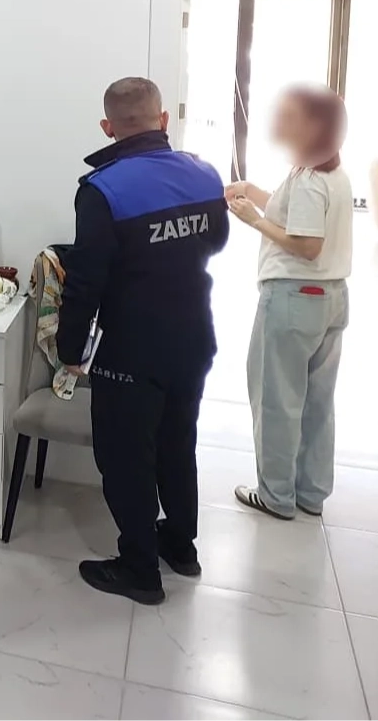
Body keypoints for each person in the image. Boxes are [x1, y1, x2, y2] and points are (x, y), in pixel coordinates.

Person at [58, 77, 228, 605]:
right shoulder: (204, 174)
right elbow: (218, 241)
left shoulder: (103, 189)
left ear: (107, 127)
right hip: (194, 336)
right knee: (177, 442)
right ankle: (180, 545)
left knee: (127, 454)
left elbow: (87, 280)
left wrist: (70, 349)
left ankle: (139, 570)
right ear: (163, 119)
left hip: (132, 346)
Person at [226, 85, 351, 520]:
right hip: (330, 299)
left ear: (316, 127)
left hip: (294, 296)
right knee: (318, 403)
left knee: (277, 399)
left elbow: (307, 245)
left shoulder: (311, 180)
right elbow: (293, 212)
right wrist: (253, 191)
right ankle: (311, 494)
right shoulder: (328, 173)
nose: (281, 122)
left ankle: (276, 496)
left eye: (291, 116)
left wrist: (254, 221)